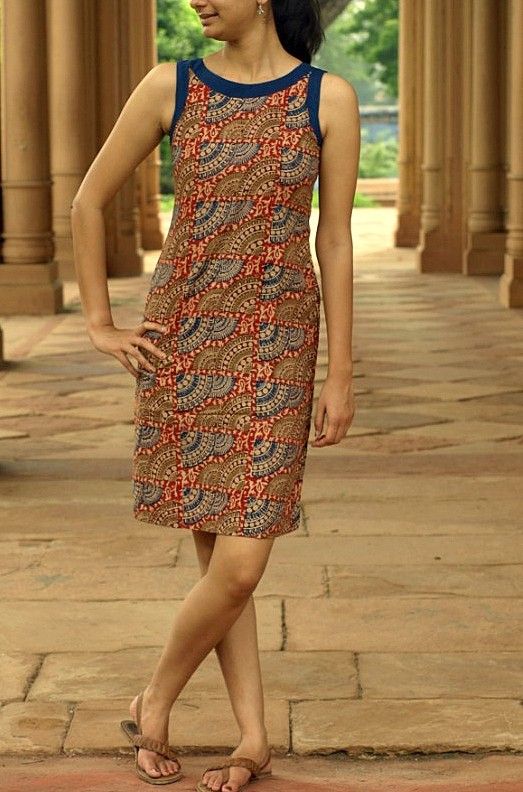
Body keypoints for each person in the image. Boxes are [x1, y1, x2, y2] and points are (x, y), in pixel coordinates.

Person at [71, 0, 359, 788]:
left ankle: (154, 701)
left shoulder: (326, 98)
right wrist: (98, 323)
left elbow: (333, 238)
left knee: (239, 564)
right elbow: (87, 200)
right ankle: (253, 737)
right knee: (222, 562)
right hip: (186, 339)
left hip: (279, 346)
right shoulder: (171, 87)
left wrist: (339, 373)